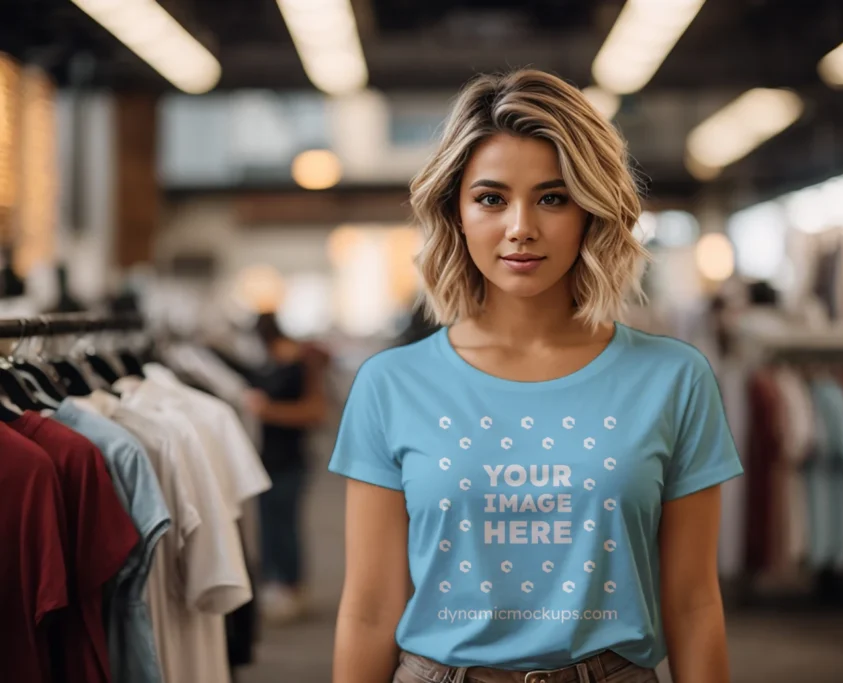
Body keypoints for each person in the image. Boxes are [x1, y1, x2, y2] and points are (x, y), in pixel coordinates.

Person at [329, 70, 743, 683]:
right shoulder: (390, 385)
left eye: (552, 197)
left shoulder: (674, 379)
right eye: (491, 198)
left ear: (591, 211)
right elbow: (368, 611)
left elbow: (693, 603)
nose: (521, 226)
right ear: (457, 212)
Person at [244, 312, 329, 624]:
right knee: (268, 524)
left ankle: (292, 587)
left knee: (285, 524)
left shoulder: (301, 364)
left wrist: (268, 412)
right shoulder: (269, 365)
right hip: (265, 459)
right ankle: (276, 584)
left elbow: (316, 412)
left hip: (291, 458)